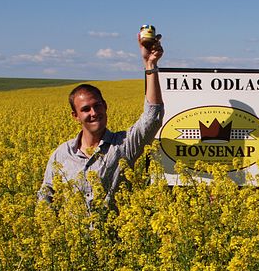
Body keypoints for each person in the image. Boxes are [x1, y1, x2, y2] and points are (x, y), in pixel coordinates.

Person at [38, 33, 164, 207]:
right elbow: (46, 198)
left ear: (105, 106)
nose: (94, 112)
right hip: (73, 234)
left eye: (97, 106)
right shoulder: (62, 154)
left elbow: (152, 118)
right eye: (85, 109)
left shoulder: (123, 146)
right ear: (75, 116)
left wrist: (150, 65)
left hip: (113, 234)